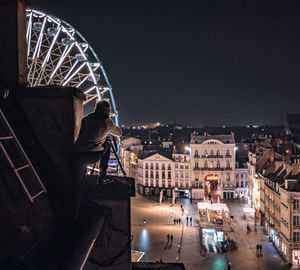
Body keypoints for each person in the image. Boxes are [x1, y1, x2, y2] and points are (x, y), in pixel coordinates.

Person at [71, 100, 122, 219]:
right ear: (107, 112)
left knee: (77, 187)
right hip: (91, 155)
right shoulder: (106, 122)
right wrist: (110, 126)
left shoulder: (85, 119)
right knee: (107, 144)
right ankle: (102, 176)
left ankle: (73, 216)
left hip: (75, 155)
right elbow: (119, 133)